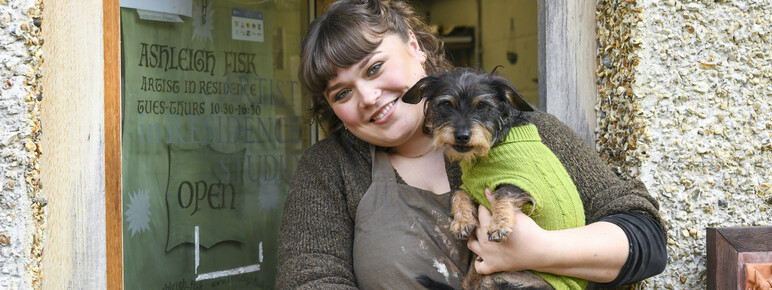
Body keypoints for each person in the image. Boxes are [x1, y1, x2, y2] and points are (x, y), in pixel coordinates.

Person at [277, 0, 667, 289]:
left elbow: (645, 236)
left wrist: (540, 251)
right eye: (342, 93)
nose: (367, 96)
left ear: (414, 45)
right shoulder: (330, 168)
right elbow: (309, 280)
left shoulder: (528, 135)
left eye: (375, 67)